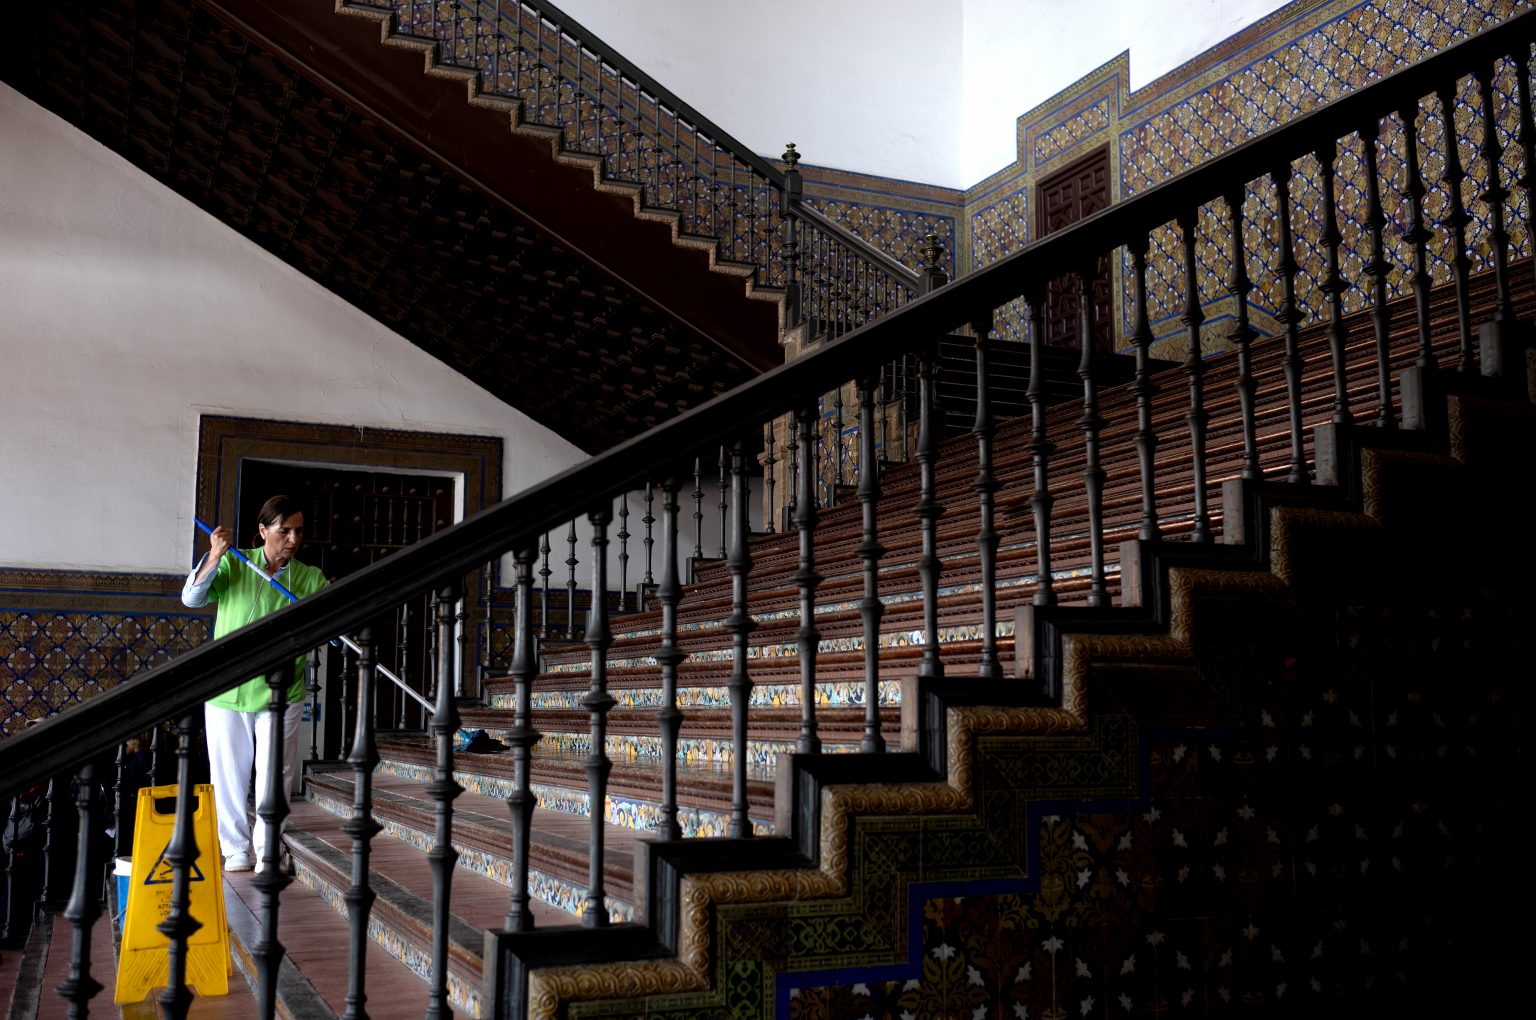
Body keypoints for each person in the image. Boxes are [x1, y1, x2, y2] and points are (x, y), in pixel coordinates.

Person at [181, 495, 326, 873]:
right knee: (228, 773)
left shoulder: (309, 577)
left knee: (276, 773)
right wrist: (214, 555)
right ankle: (235, 849)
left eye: (298, 532)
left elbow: (327, 622)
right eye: (284, 531)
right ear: (263, 531)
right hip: (228, 689)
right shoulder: (233, 562)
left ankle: (268, 847)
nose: (293, 540)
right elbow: (191, 598)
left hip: (282, 690)